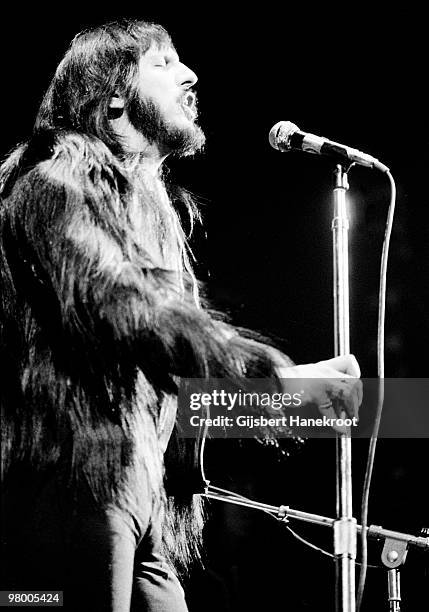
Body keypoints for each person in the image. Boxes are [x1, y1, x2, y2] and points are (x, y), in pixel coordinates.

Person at [0, 19, 362, 611]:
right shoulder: (52, 184)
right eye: (164, 62)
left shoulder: (156, 225)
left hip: (140, 508)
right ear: (115, 92)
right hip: (70, 485)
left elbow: (166, 388)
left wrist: (296, 396)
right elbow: (125, 306)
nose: (190, 75)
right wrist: (267, 373)